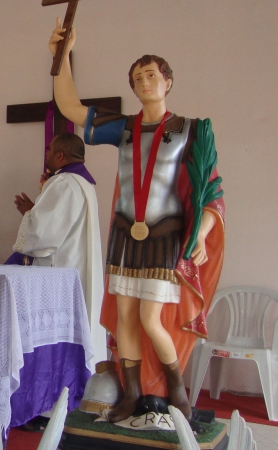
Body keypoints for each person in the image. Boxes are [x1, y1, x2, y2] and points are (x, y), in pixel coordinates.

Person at [49, 19, 225, 422]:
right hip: (127, 234)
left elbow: (211, 190)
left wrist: (203, 231)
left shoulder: (191, 132)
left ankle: (178, 393)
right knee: (126, 316)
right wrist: (61, 58)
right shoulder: (124, 128)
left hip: (166, 235)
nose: (144, 82)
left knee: (150, 318)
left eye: (151, 75)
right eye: (137, 78)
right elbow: (70, 107)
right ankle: (131, 395)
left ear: (167, 82)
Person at [12, 132, 105, 431]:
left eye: (51, 151)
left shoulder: (64, 183)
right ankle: (63, 403)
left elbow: (43, 237)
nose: (48, 155)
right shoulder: (84, 183)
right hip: (71, 272)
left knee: (48, 340)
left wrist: (30, 214)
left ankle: (45, 408)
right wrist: (35, 210)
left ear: (62, 156)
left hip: (56, 278)